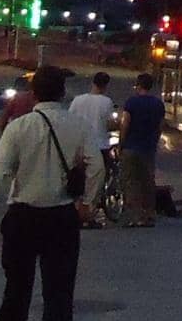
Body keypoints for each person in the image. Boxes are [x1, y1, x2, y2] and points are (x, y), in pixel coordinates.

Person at [0, 65, 89, 321]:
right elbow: (95, 166)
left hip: (23, 216)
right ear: (62, 93)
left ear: (34, 94)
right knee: (59, 292)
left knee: (17, 287)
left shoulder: (18, 128)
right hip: (62, 217)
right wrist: (87, 203)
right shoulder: (78, 126)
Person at [116, 73, 165, 228]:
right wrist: (155, 141)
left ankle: (135, 216)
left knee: (130, 182)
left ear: (138, 86)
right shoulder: (158, 104)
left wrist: (121, 144)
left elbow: (125, 124)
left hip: (131, 147)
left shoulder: (131, 102)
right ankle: (149, 214)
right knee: (148, 182)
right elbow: (160, 126)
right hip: (148, 148)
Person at [68, 73, 118, 197]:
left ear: (93, 83)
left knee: (77, 176)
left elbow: (70, 119)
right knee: (99, 179)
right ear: (106, 86)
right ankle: (93, 204)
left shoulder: (77, 100)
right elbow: (109, 124)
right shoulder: (107, 102)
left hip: (79, 146)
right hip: (99, 146)